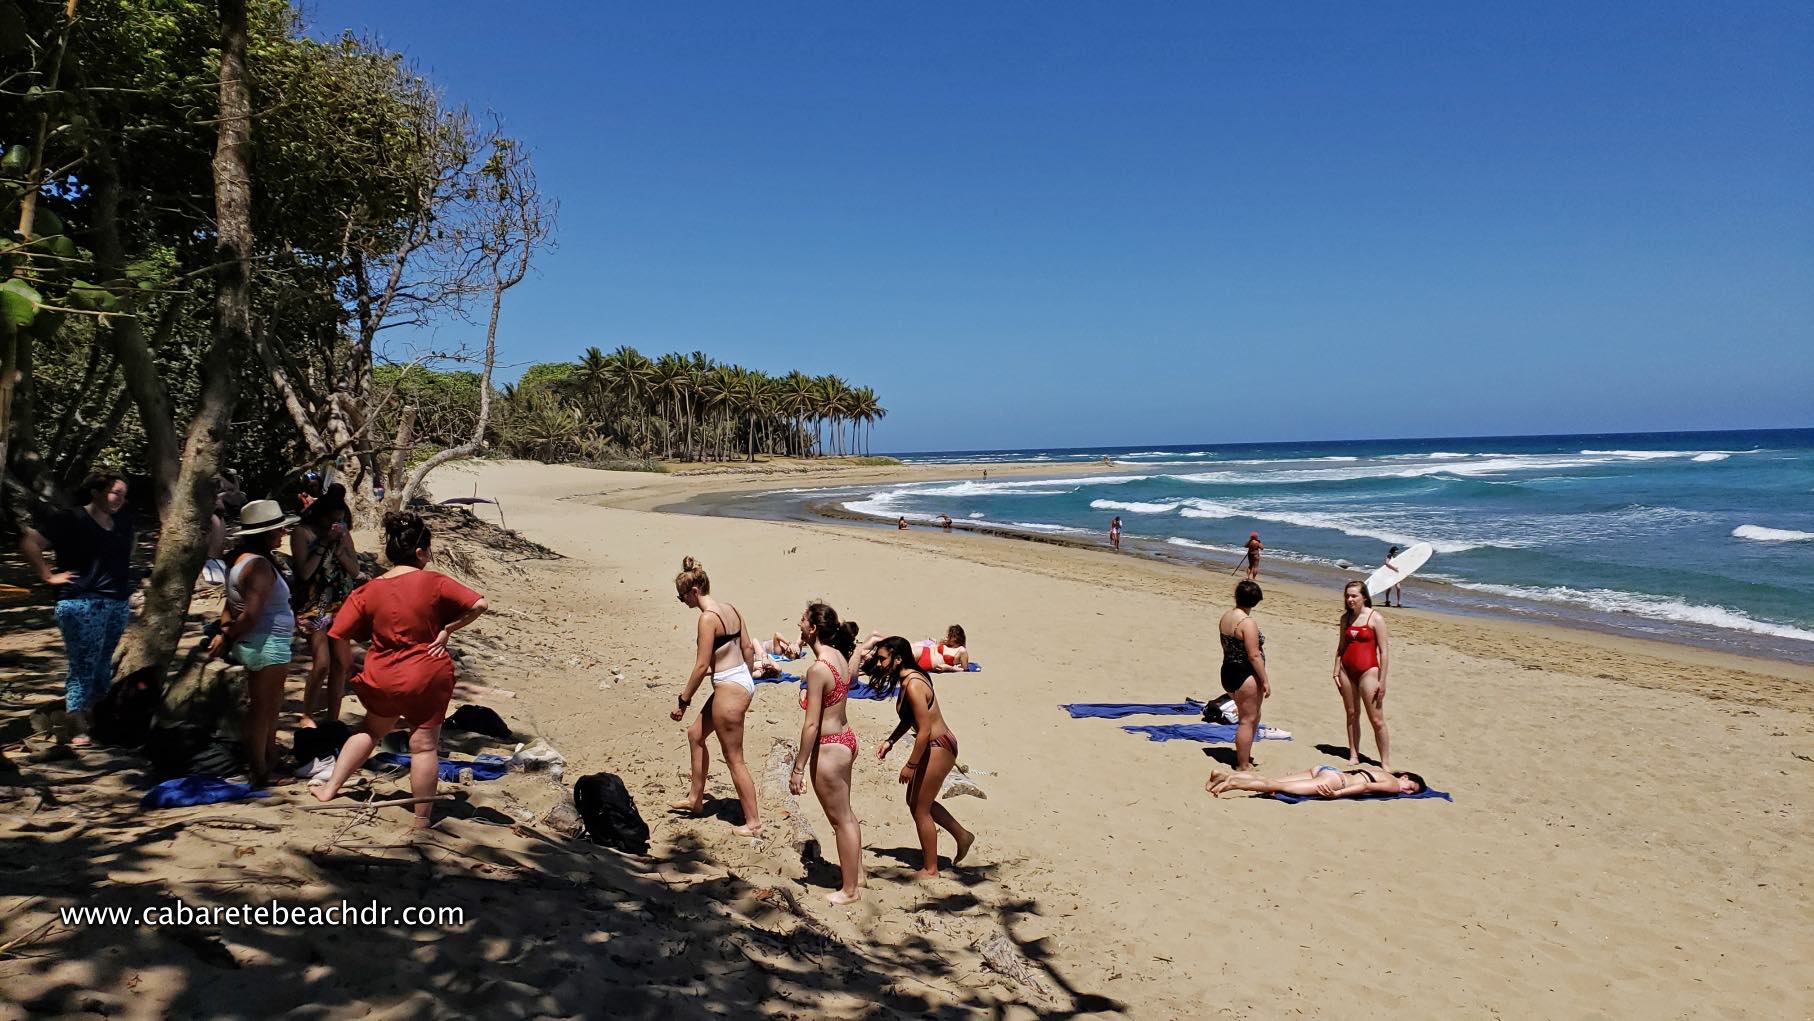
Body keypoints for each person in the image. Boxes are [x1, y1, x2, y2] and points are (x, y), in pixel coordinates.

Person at [313, 512, 487, 829]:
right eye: (429, 549)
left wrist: (349, 664)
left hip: (382, 673)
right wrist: (448, 629)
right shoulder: (434, 582)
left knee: (369, 730)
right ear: (420, 552)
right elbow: (479, 605)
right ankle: (421, 820)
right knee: (424, 746)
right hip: (426, 673)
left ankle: (329, 789)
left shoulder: (367, 591)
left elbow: (338, 633)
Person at [18, 473, 135, 745]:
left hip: (116, 601)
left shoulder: (123, 520)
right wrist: (47, 575)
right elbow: (29, 542)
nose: (120, 499)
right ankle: (76, 720)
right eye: (115, 492)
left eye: (123, 494)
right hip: (80, 602)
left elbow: (128, 549)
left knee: (103, 663)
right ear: (96, 492)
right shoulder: (70, 519)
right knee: (83, 663)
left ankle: (97, 716)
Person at [667, 556, 762, 835]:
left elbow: (700, 665)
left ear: (694, 592)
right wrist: (745, 679)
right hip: (739, 681)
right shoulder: (732, 609)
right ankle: (695, 799)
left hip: (729, 688)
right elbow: (746, 647)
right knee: (695, 735)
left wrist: (683, 700)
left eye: (681, 596)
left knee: (734, 758)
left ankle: (754, 822)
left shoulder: (707, 619)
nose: (682, 601)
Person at [207, 499, 299, 785]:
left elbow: (231, 608)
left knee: (268, 707)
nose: (283, 533)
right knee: (265, 708)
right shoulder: (258, 566)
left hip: (265, 640)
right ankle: (260, 769)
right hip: (266, 642)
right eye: (278, 529)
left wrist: (225, 630)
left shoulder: (241, 561)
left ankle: (268, 760)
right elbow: (251, 613)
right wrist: (227, 634)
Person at [872, 636, 976, 878]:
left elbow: (925, 730)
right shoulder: (906, 679)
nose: (878, 663)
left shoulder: (914, 684)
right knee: (917, 803)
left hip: (939, 745)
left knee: (920, 809)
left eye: (882, 658)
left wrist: (910, 765)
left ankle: (931, 869)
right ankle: (962, 835)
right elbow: (910, 720)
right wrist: (890, 741)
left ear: (898, 659)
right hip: (934, 745)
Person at [787, 603, 863, 904]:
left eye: (803, 620)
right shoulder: (839, 657)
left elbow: (811, 725)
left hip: (830, 745)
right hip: (846, 739)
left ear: (814, 628)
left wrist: (798, 768)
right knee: (847, 814)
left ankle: (850, 890)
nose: (799, 623)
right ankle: (858, 875)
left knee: (839, 819)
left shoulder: (818, 668)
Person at [291, 484, 360, 727]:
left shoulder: (343, 535)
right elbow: (305, 572)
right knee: (322, 663)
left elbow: (355, 570)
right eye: (333, 519)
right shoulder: (302, 533)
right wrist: (323, 543)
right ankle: (307, 714)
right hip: (314, 604)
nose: (337, 524)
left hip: (339, 603)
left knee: (342, 663)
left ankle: (332, 718)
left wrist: (340, 549)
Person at [1333, 580, 1393, 769]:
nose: (1350, 599)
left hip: (1369, 671)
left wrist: (1382, 681)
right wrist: (1335, 670)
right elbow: (1341, 646)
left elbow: (1384, 652)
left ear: (1364, 597)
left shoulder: (1375, 619)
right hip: (1346, 670)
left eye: (1354, 596)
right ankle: (1353, 754)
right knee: (1351, 714)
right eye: (1347, 596)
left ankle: (1384, 762)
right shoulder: (1346, 619)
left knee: (1376, 719)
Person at [1219, 579, 1271, 771]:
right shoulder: (1247, 623)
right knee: (1247, 720)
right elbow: (1254, 655)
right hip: (1244, 674)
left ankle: (1244, 756)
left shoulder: (1227, 616)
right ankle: (1242, 764)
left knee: (1251, 716)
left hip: (1228, 670)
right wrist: (1265, 680)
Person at [1205, 764, 1425, 799]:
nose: (1406, 791)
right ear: (1404, 777)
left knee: (1272, 779)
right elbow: (1366, 786)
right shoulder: (1394, 784)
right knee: (1277, 786)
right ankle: (1233, 784)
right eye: (1410, 787)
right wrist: (1336, 794)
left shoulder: (1380, 769)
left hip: (1325, 768)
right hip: (1335, 780)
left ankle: (1224, 775)